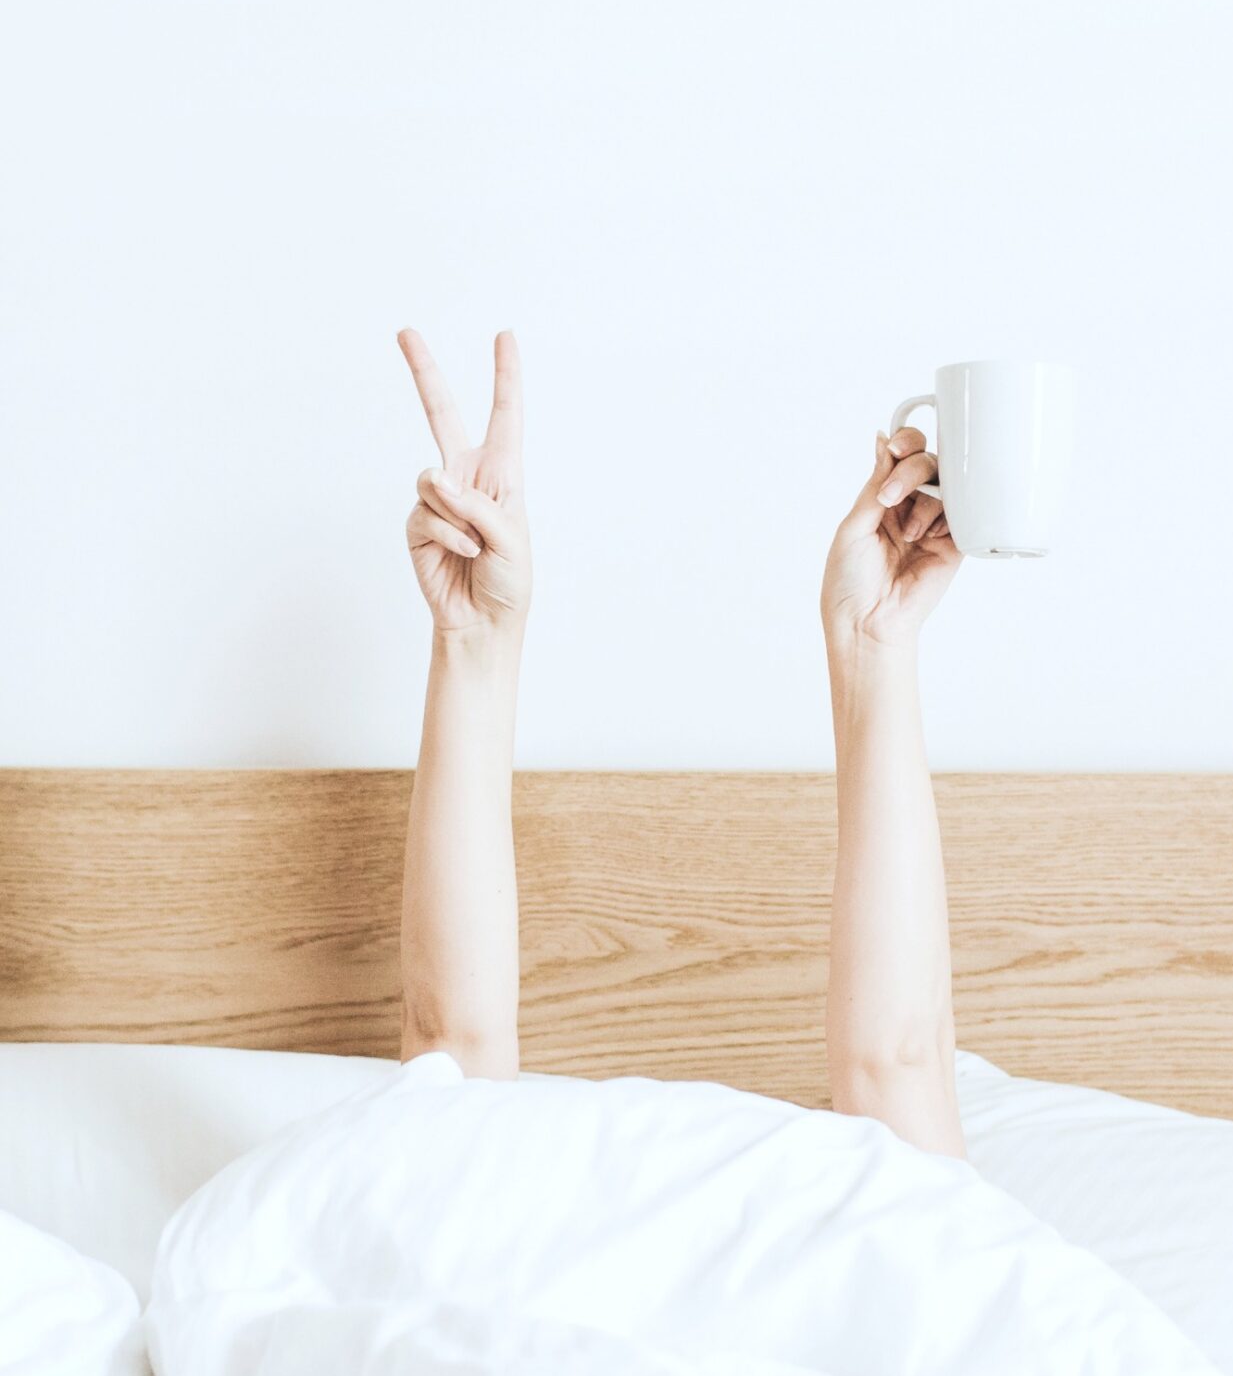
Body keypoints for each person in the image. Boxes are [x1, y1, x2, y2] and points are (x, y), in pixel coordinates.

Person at [395, 324, 967, 1161]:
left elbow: (452, 1051)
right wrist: (871, 648)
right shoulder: (920, 1263)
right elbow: (897, 1067)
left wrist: (477, 645)